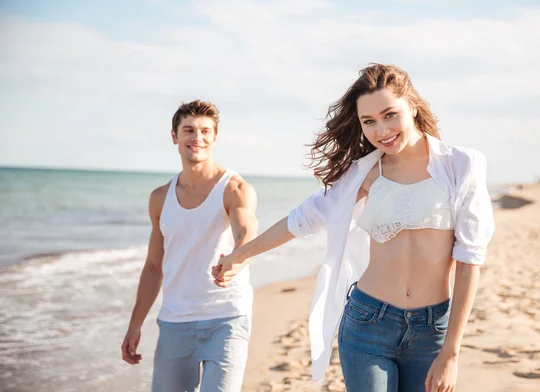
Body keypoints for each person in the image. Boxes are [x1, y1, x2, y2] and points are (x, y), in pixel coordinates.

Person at [213, 64, 495, 392]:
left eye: (390, 115)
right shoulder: (361, 174)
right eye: (369, 122)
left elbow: (469, 258)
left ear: (413, 107)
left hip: (433, 330)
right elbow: (301, 220)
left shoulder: (461, 166)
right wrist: (241, 254)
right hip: (367, 323)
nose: (382, 130)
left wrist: (451, 351)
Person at [121, 100, 258, 392]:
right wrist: (135, 325)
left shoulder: (234, 188)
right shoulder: (160, 198)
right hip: (175, 320)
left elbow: (247, 230)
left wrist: (237, 259)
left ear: (215, 137)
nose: (198, 138)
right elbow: (154, 266)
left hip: (227, 316)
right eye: (189, 130)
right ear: (175, 136)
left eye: (206, 131)